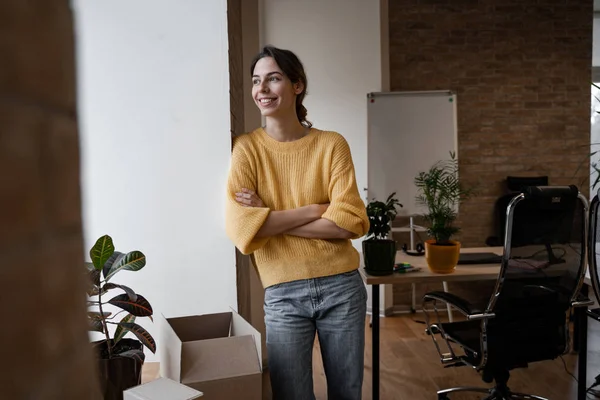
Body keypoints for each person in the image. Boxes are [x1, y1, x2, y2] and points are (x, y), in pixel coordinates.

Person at [225, 45, 369, 400]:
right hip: (282, 294)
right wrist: (314, 209)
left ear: (297, 85)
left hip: (342, 288)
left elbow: (347, 223)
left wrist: (269, 217)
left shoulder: (331, 145)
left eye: (273, 78)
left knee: (346, 394)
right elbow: (242, 228)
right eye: (257, 81)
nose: (262, 89)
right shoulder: (246, 149)